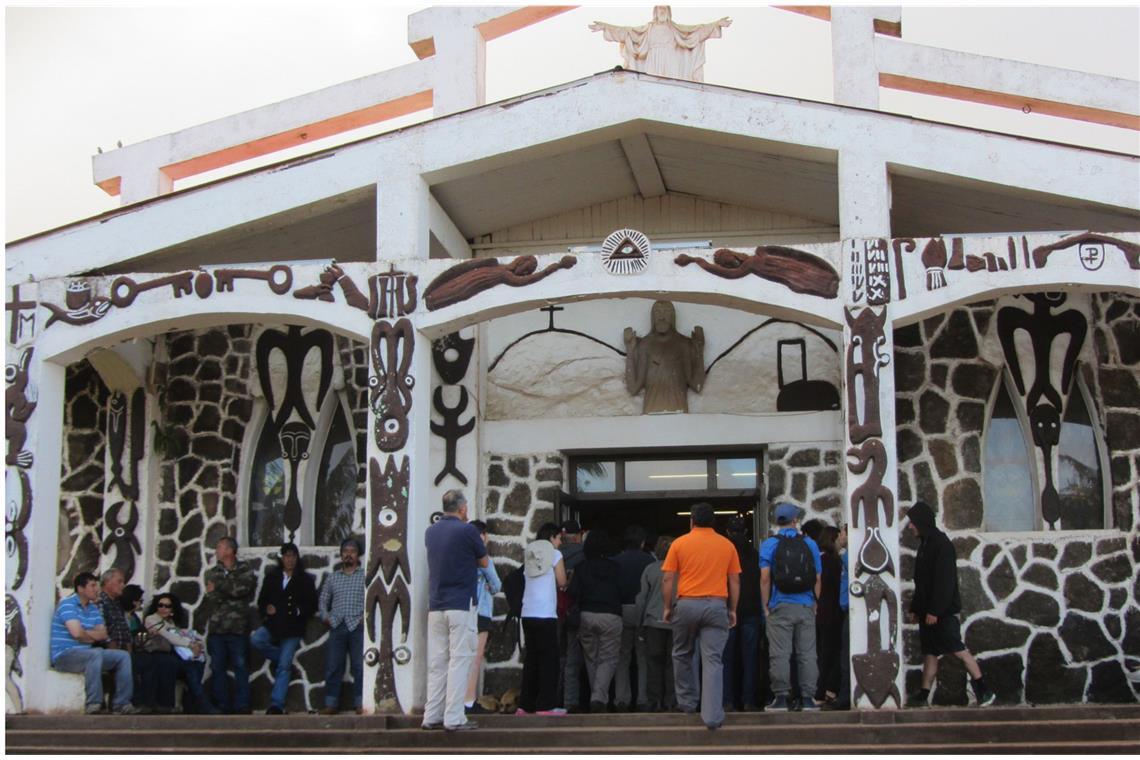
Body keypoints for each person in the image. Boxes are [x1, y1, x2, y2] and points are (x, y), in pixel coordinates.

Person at [905, 501, 996, 707]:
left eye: (912, 522)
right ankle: (923, 694)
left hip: (941, 613)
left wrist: (936, 610)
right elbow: (922, 582)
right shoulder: (925, 545)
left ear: (921, 522)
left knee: (957, 649)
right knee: (930, 652)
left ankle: (983, 689)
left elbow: (944, 581)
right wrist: (916, 609)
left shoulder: (941, 545)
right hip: (929, 612)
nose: (910, 526)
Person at [661, 502, 741, 731]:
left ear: (691, 521)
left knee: (681, 652)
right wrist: (732, 609)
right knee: (713, 660)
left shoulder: (679, 544)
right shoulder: (727, 546)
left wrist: (668, 607)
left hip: (686, 604)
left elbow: (668, 579)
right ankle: (712, 716)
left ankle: (687, 702)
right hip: (716, 605)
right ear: (714, 522)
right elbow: (734, 580)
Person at [420, 490, 487, 731]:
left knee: (437, 662)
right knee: (460, 659)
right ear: (461, 508)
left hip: (436, 604)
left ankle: (432, 715)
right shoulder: (468, 530)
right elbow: (484, 561)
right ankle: (454, 716)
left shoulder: (431, 531)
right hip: (460, 602)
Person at [760, 502, 822, 712]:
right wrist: (815, 602)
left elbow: (765, 577)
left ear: (777, 521)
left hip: (780, 604)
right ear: (795, 520)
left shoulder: (769, 544)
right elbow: (817, 577)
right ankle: (808, 698)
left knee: (780, 654)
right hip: (805, 605)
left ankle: (780, 698)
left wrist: (765, 605)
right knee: (807, 654)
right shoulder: (810, 543)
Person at [50, 571, 137, 714]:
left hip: (86, 654)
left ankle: (122, 703)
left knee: (123, 656)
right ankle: (94, 703)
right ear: (80, 588)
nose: (96, 589)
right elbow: (76, 633)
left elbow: (103, 634)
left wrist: (84, 634)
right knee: (95, 654)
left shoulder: (93, 608)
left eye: (96, 585)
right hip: (64, 656)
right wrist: (88, 635)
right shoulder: (67, 604)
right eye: (92, 585)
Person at [250, 542, 317, 715]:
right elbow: (262, 601)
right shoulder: (272, 577)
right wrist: (267, 608)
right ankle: (282, 659)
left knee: (284, 667)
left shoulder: (305, 580)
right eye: (287, 556)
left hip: (293, 626)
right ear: (282, 558)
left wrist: (297, 610)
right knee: (256, 640)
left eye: (293, 556)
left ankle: (276, 704)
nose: (290, 560)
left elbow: (312, 605)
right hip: (274, 624)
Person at [589, 6, 732, 82]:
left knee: (673, 84)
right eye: (660, 9)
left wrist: (716, 24)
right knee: (651, 83)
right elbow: (626, 32)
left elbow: (697, 31)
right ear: (655, 12)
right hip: (653, 59)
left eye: (664, 9)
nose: (662, 11)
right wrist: (605, 27)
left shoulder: (675, 29)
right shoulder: (648, 29)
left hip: (671, 60)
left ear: (668, 12)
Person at [567, 530, 622, 713]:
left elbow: (573, 592)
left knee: (591, 658)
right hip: (611, 616)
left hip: (586, 614)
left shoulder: (582, 567)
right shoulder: (615, 567)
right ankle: (598, 697)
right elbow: (624, 590)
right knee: (609, 658)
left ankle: (596, 697)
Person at [516, 522, 567, 716]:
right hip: (545, 613)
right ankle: (546, 705)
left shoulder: (529, 553)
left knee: (532, 659)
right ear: (552, 537)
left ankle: (525, 704)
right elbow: (562, 581)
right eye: (559, 538)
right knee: (548, 660)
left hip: (527, 612)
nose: (560, 542)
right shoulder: (554, 554)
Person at [623, 300, 705, 414]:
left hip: (679, 409)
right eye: (657, 312)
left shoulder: (684, 344)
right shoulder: (645, 345)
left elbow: (697, 385)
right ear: (652, 316)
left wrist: (699, 350)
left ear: (673, 316)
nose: (661, 317)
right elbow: (633, 388)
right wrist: (630, 351)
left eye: (666, 312)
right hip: (651, 409)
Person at [204, 536, 256, 714]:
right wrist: (229, 589)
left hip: (238, 627)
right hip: (217, 628)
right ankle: (222, 704)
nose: (217, 550)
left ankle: (242, 704)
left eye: (219, 547)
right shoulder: (212, 573)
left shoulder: (245, 570)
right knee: (217, 666)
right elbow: (212, 597)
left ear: (229, 550)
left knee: (241, 666)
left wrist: (221, 587)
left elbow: (243, 590)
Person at [141, 592, 216, 714]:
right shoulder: (152, 619)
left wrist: (195, 644)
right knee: (190, 669)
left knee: (197, 664)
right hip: (158, 654)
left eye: (167, 606)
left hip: (173, 654)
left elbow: (179, 635)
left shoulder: (171, 622)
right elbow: (168, 636)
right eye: (161, 605)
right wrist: (190, 645)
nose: (164, 608)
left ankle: (195, 703)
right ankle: (204, 705)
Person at [318, 537, 366, 715]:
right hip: (337, 625)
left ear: (358, 555)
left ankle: (360, 703)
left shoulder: (364, 575)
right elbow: (323, 599)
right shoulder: (333, 577)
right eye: (345, 551)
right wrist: (326, 616)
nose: (348, 555)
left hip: (357, 626)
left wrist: (364, 618)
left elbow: (371, 598)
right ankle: (331, 703)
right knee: (333, 665)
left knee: (359, 666)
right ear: (341, 554)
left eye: (352, 551)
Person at [722, 516, 762, 712]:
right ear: (746, 532)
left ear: (727, 532)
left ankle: (727, 700)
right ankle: (749, 700)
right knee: (750, 657)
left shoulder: (723, 552)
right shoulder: (754, 554)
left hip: (727, 609)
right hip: (752, 609)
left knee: (725, 657)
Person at [613, 524, 654, 711]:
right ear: (642, 542)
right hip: (642, 611)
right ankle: (643, 699)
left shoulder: (615, 561)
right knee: (643, 657)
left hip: (620, 610)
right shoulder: (649, 561)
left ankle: (621, 698)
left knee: (622, 656)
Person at [634, 535, 676, 713]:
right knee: (672, 664)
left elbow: (641, 599)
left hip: (653, 622)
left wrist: (639, 624)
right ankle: (671, 702)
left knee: (653, 663)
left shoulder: (650, 569)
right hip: (676, 622)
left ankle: (655, 701)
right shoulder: (681, 570)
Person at [464, 520, 501, 716]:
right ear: (484, 536)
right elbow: (496, 584)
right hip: (482, 612)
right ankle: (468, 701)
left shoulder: (461, 558)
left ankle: (459, 699)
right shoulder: (484, 558)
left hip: (463, 609)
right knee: (476, 658)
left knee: (460, 657)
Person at [559, 520, 587, 713]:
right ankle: (587, 699)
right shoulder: (584, 555)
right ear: (578, 535)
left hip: (555, 612)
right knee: (588, 659)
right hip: (579, 612)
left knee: (562, 658)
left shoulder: (555, 555)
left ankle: (565, 700)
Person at [815, 525, 843, 705]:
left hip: (819, 611)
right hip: (833, 611)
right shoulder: (835, 562)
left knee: (821, 652)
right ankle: (827, 689)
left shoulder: (817, 560)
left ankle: (820, 689)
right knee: (832, 652)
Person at [825, 525, 852, 711]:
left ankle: (844, 696)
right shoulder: (846, 556)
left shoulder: (848, 557)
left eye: (842, 533)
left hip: (849, 609)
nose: (839, 536)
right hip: (846, 609)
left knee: (845, 655)